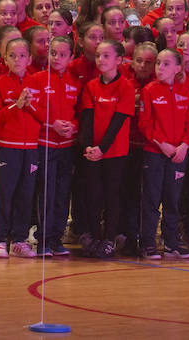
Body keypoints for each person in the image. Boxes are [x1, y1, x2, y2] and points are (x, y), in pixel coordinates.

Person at [78, 37, 135, 259]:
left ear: (119, 60)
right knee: (93, 195)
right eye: (98, 55)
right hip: (93, 153)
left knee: (112, 196)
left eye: (106, 56)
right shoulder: (91, 85)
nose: (100, 59)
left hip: (115, 153)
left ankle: (109, 238)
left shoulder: (125, 87)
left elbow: (118, 122)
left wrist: (102, 149)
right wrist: (89, 148)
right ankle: (94, 236)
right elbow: (87, 118)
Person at [0, 34, 40, 259]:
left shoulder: (36, 82)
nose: (17, 60)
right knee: (4, 193)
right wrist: (15, 107)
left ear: (29, 59)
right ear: (5, 59)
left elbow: (42, 116)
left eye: (22, 56)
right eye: (12, 56)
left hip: (31, 149)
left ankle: (19, 239)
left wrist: (29, 107)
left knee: (26, 195)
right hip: (8, 147)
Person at [26, 33, 81, 257]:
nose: (57, 57)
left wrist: (73, 126)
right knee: (45, 193)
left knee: (62, 193)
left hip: (67, 147)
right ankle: (43, 239)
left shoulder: (75, 82)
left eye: (62, 54)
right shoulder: (37, 79)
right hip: (45, 144)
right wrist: (52, 124)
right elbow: (32, 109)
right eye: (53, 53)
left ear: (71, 57)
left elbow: (80, 113)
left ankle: (57, 238)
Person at [137, 47, 189, 259]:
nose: (160, 67)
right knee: (152, 199)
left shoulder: (184, 91)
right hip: (155, 153)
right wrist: (162, 144)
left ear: (178, 68)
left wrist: (184, 145)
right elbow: (145, 123)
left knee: (173, 199)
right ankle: (148, 243)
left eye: (166, 64)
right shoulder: (150, 90)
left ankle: (172, 243)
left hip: (178, 155)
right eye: (158, 63)